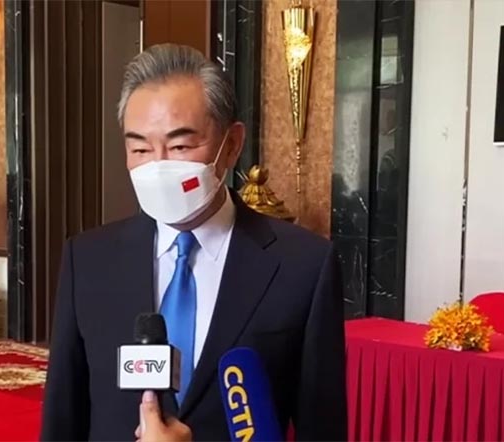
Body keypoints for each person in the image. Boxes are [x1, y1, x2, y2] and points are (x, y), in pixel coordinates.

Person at [41, 44, 346, 441]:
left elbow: (322, 428)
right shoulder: (88, 261)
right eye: (140, 149)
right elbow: (63, 419)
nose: (158, 165)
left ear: (231, 145)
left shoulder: (303, 266)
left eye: (180, 146)